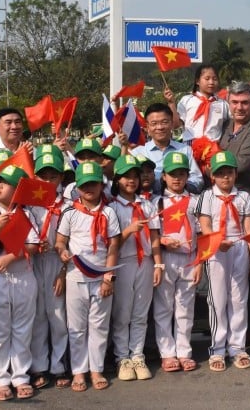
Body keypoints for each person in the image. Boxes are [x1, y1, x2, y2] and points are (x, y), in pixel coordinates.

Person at [56, 161, 121, 392]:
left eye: (93, 183)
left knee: (99, 326)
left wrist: (108, 278)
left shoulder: (109, 212)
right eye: (84, 184)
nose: (89, 188)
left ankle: (96, 369)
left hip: (100, 277)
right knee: (76, 327)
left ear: (101, 185)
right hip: (76, 277)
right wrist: (62, 251)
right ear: (78, 187)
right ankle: (79, 371)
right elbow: (60, 241)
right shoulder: (70, 213)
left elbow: (114, 247)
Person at [0, 165, 40, 401]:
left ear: (17, 190)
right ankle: (1, 378)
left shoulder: (28, 213)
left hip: (23, 276)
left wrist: (10, 257)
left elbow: (33, 246)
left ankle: (21, 376)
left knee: (22, 329)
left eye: (4, 183)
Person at [197, 150, 250, 372]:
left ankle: (237, 347)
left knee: (239, 298)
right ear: (212, 176)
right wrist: (216, 242)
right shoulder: (207, 196)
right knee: (218, 299)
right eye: (220, 173)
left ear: (235, 174)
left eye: (229, 173)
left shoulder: (243, 197)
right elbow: (204, 226)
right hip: (217, 248)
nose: (225, 178)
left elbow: (249, 228)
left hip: (239, 246)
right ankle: (218, 348)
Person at [109, 155, 162, 381]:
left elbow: (154, 236)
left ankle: (137, 354)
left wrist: (158, 263)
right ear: (117, 179)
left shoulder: (147, 204)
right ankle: (122, 357)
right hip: (123, 262)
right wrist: (128, 230)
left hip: (146, 262)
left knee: (140, 312)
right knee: (122, 313)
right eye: (126, 177)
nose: (131, 181)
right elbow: (111, 244)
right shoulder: (112, 207)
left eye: (134, 176)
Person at [153, 152, 201, 372]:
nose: (177, 179)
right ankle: (167, 353)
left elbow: (201, 234)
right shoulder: (158, 202)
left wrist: (199, 262)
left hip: (190, 258)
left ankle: (184, 351)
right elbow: (151, 233)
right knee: (164, 307)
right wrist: (162, 242)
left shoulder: (195, 201)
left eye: (181, 174)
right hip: (166, 258)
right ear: (163, 176)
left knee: (185, 307)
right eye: (172, 174)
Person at [28, 153, 71, 390]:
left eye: (52, 176)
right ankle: (39, 366)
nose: (47, 181)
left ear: (61, 178)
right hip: (34, 260)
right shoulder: (30, 204)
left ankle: (58, 364)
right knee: (37, 316)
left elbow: (73, 241)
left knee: (58, 316)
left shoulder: (68, 206)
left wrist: (63, 272)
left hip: (58, 262)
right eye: (42, 176)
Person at [130, 103, 203, 194]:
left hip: (179, 203)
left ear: (172, 124)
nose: (160, 127)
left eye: (164, 122)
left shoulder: (185, 150)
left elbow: (197, 179)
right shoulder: (137, 153)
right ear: (148, 127)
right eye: (154, 124)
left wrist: (177, 187)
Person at [166, 64, 229, 143]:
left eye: (215, 79)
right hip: (190, 145)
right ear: (197, 81)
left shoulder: (223, 104)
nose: (211, 82)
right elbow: (177, 126)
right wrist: (171, 103)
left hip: (213, 148)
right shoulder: (186, 101)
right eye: (207, 78)